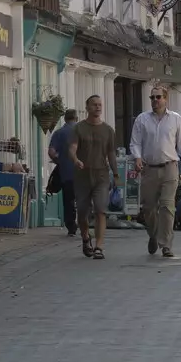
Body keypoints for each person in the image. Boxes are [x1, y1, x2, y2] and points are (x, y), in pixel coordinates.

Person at [130, 84, 181, 258]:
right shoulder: (142, 119)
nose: (155, 101)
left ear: (166, 99)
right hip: (149, 169)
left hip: (170, 167)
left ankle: (166, 244)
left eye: (158, 97)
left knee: (167, 206)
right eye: (152, 98)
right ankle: (153, 235)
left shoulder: (175, 119)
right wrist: (136, 156)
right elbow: (135, 142)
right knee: (149, 208)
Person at [70, 95, 118, 259]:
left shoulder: (108, 130)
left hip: (101, 175)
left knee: (100, 210)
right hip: (82, 175)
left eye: (100, 105)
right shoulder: (79, 128)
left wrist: (116, 173)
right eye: (94, 105)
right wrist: (75, 160)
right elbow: (73, 148)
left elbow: (111, 153)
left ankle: (99, 246)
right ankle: (85, 237)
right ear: (87, 107)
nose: (98, 107)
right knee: (82, 212)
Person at [47, 109, 79, 237]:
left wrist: (58, 160)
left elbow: (51, 152)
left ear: (65, 119)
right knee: (84, 199)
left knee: (68, 200)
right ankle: (85, 224)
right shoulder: (82, 131)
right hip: (83, 172)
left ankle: (71, 227)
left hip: (67, 173)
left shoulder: (59, 133)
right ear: (76, 118)